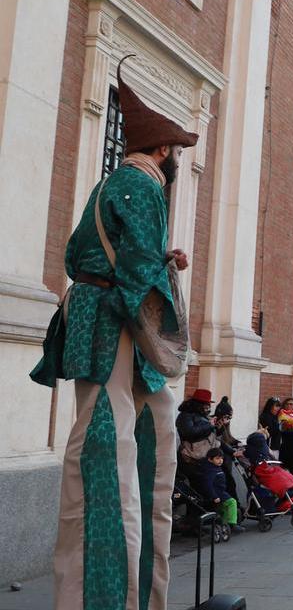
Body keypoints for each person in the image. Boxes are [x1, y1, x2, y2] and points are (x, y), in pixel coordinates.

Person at [29, 66, 198, 610]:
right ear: (163, 150)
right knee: (110, 454)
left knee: (146, 433)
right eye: (177, 151)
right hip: (113, 330)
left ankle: (134, 595)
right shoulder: (144, 186)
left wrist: (160, 261)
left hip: (102, 322)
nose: (178, 160)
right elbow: (136, 273)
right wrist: (166, 322)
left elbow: (83, 255)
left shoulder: (110, 185)